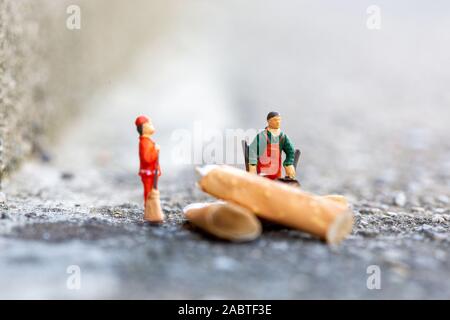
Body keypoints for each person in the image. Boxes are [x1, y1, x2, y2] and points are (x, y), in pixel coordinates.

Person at [248, 112, 296, 180]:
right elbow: (252, 150)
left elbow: (291, 152)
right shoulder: (262, 136)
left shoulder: (282, 137)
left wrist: (288, 164)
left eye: (279, 120)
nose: (278, 122)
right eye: (275, 120)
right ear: (268, 121)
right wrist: (252, 166)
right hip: (262, 173)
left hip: (276, 173)